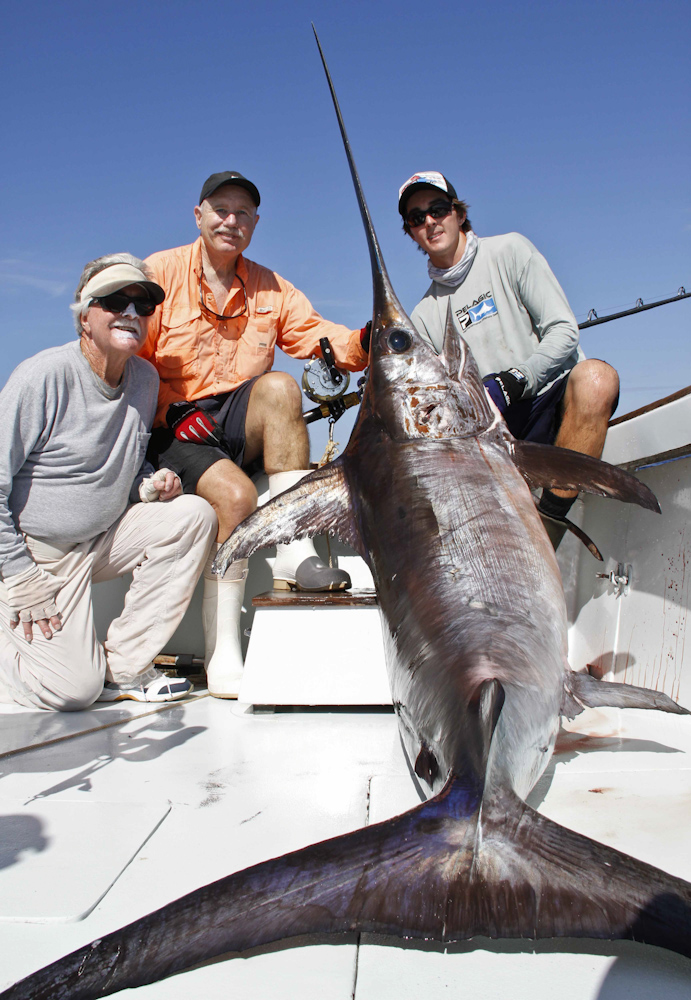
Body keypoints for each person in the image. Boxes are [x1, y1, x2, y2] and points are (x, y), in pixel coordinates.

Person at [141, 171, 369, 698]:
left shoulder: (270, 285)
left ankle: (292, 550)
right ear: (198, 215)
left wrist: (366, 339)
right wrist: (170, 410)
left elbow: (318, 337)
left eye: (243, 214)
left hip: (237, 417)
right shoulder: (160, 271)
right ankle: (223, 648)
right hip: (176, 428)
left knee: (282, 386)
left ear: (255, 225)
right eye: (221, 209)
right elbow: (133, 359)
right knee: (238, 495)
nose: (231, 221)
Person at [0, 254, 217, 711]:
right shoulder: (42, 375)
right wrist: (19, 576)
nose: (132, 314)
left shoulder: (145, 379)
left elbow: (125, 463)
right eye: (116, 301)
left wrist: (148, 486)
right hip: (36, 555)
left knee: (192, 515)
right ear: (84, 317)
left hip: (98, 542)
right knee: (73, 692)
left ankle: (123, 668)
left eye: (143, 304)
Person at [398, 171, 620, 534]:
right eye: (416, 217)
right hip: (494, 430)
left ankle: (550, 524)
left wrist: (518, 379)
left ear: (459, 213)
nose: (430, 222)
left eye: (437, 209)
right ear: (410, 232)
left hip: (550, 399)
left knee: (598, 378)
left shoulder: (510, 250)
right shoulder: (421, 317)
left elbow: (564, 331)